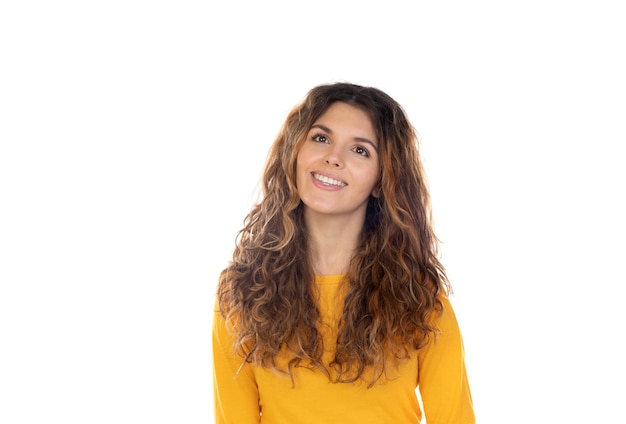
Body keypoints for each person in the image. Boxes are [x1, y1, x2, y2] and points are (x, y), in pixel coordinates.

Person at [212, 82, 475, 423]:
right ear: (295, 151)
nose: (332, 158)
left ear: (383, 179)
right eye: (321, 138)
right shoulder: (242, 294)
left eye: (360, 150)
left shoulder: (420, 299)